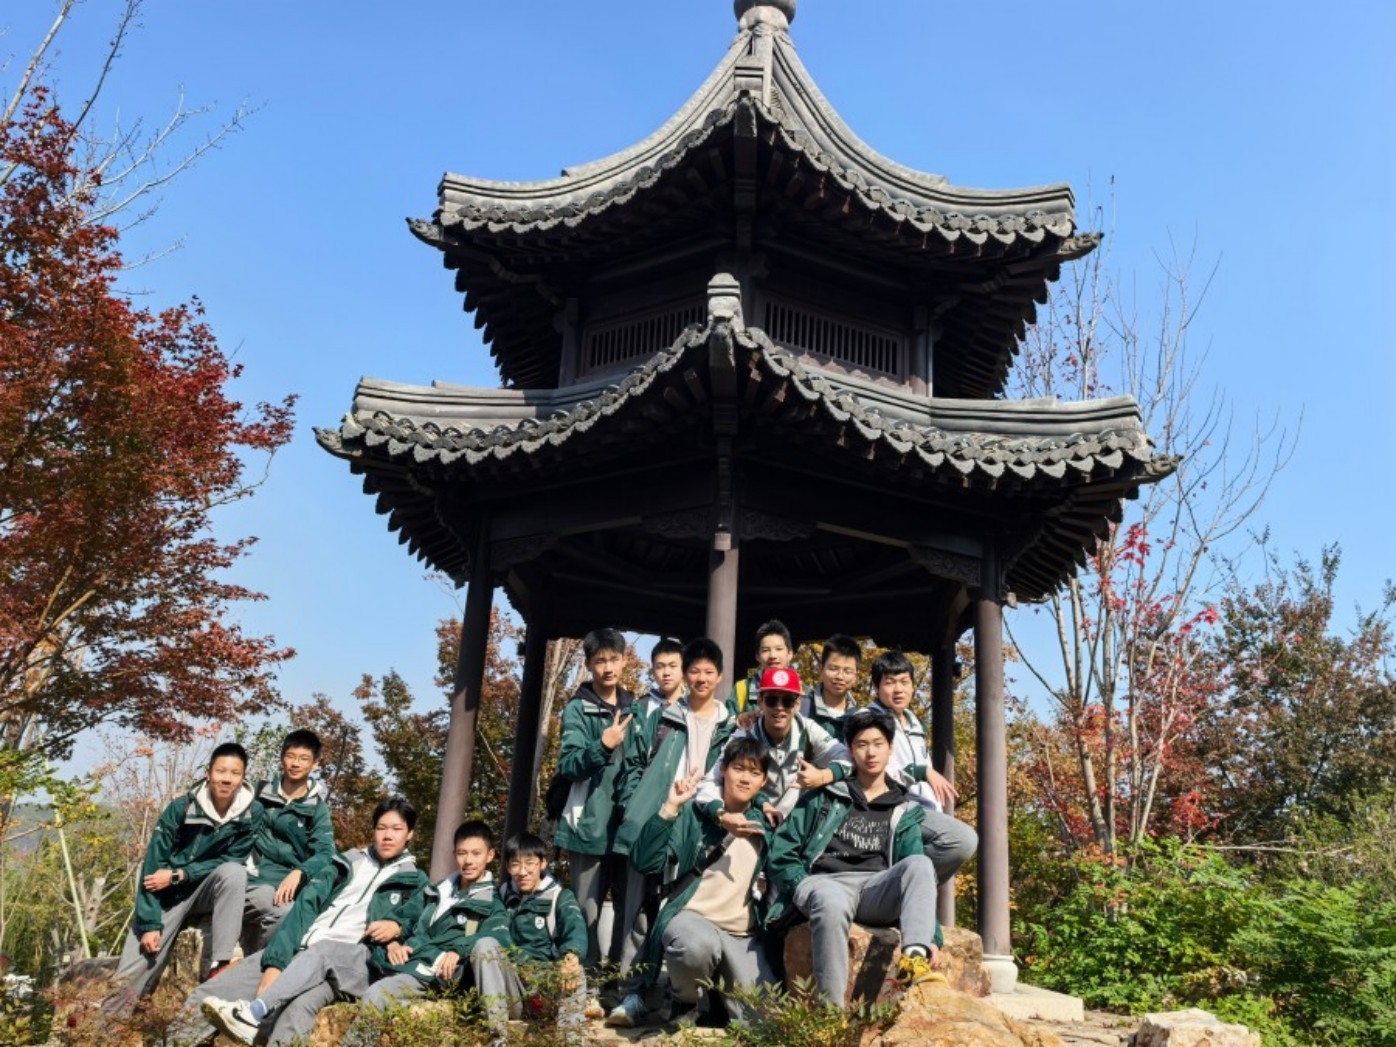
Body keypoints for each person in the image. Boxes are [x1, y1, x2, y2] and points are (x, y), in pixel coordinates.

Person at [189, 796, 427, 1047]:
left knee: (294, 1010)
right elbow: (305, 907)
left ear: (409, 834)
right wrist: (275, 964)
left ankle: (253, 1013)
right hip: (302, 951)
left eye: (396, 829)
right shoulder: (346, 862)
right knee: (210, 993)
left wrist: (398, 928)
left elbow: (419, 924)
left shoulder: (415, 881)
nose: (387, 836)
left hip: (348, 963)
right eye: (381, 828)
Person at [765, 709, 946, 1005]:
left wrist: (931, 936)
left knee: (921, 863)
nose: (870, 753)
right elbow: (781, 852)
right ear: (850, 751)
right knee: (830, 900)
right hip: (825, 883)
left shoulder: (904, 808)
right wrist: (800, 884)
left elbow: (917, 877)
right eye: (862, 745)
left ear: (890, 749)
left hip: (875, 889)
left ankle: (914, 958)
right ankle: (830, 1014)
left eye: (878, 744)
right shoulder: (824, 795)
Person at [607, 637, 737, 1027]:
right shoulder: (661, 717)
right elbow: (632, 764)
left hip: (704, 825)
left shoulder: (731, 725)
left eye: (708, 672)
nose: (701, 678)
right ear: (685, 674)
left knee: (689, 907)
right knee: (642, 907)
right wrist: (637, 806)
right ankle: (633, 994)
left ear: (719, 676)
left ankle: (691, 998)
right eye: (694, 671)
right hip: (660, 816)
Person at [102, 742, 261, 1016]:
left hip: (204, 888)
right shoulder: (182, 808)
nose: (227, 779)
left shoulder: (251, 812)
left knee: (235, 873)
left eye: (235, 773)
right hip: (169, 895)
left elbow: (233, 859)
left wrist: (181, 874)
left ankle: (221, 963)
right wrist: (150, 923)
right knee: (133, 970)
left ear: (243, 777)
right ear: (208, 773)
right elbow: (153, 866)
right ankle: (105, 1029)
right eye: (221, 771)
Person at [630, 736, 778, 1027]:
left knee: (766, 1024)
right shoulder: (695, 815)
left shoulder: (766, 824)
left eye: (754, 772)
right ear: (723, 769)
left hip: (741, 934)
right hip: (694, 921)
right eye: (738, 768)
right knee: (694, 946)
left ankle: (717, 999)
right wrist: (670, 808)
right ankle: (685, 998)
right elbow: (645, 862)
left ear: (763, 781)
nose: (745, 778)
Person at [341, 820, 508, 1040]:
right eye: (462, 853)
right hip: (418, 968)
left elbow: (497, 938)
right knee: (375, 995)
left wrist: (459, 950)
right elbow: (405, 918)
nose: (468, 861)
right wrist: (396, 941)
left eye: (476, 854)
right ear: (454, 854)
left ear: (490, 855)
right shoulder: (435, 890)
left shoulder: (492, 902)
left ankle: (499, 1040)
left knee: (486, 944)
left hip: (453, 977)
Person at [553, 627, 636, 973]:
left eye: (614, 659)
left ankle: (617, 980)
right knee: (586, 909)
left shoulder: (636, 708)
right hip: (587, 824)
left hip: (627, 824)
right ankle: (583, 978)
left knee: (628, 907)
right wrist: (602, 745)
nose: (608, 668)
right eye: (600, 660)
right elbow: (569, 765)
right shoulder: (577, 709)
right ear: (588, 664)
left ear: (625, 661)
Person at [867, 650, 979, 885]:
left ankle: (900, 884)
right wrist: (921, 772)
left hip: (923, 808)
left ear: (912, 686)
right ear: (876, 687)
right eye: (890, 682)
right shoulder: (868, 720)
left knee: (951, 850)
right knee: (962, 841)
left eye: (904, 682)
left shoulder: (914, 723)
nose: (898, 689)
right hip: (893, 808)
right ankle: (898, 883)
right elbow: (872, 771)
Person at [696, 665, 850, 830]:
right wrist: (722, 815)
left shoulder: (808, 729)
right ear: (760, 702)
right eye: (772, 700)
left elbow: (848, 757)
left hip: (795, 828)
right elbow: (711, 781)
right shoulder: (745, 734)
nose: (779, 707)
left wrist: (823, 776)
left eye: (787, 701)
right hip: (752, 823)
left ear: (797, 704)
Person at [472, 833, 589, 1047]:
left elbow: (575, 926)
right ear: (507, 866)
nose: (522, 871)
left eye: (530, 863)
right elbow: (494, 930)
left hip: (546, 986)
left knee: (576, 971)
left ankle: (570, 1042)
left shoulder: (559, 896)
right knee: (484, 945)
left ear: (542, 863)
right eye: (515, 864)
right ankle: (498, 1039)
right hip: (511, 989)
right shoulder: (500, 896)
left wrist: (572, 954)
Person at [237, 728, 335, 951]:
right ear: (282, 758)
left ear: (315, 763)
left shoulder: (317, 808)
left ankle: (263, 965)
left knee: (289, 913)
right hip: (250, 876)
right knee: (279, 911)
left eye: (304, 759)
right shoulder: (258, 792)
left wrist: (300, 872)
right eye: (290, 756)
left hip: (286, 883)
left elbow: (325, 852)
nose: (295, 764)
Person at [727, 619, 793, 717]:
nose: (772, 655)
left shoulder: (803, 692)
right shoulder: (742, 689)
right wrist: (740, 720)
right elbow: (727, 723)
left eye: (779, 649)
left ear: (790, 654)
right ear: (757, 656)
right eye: (765, 650)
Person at [801, 634, 862, 736]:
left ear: (856, 676)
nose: (840, 676)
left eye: (847, 671)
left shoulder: (860, 718)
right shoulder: (802, 707)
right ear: (821, 669)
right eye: (833, 669)